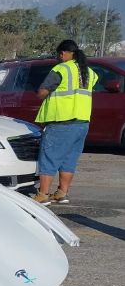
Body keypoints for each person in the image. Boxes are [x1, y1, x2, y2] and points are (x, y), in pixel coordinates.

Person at [32, 39, 97, 205]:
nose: (59, 57)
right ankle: (62, 193)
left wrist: (40, 93)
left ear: (65, 53)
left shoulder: (61, 69)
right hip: (82, 123)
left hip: (61, 121)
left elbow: (42, 92)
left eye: (60, 54)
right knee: (69, 159)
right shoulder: (89, 72)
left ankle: (43, 194)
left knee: (49, 157)